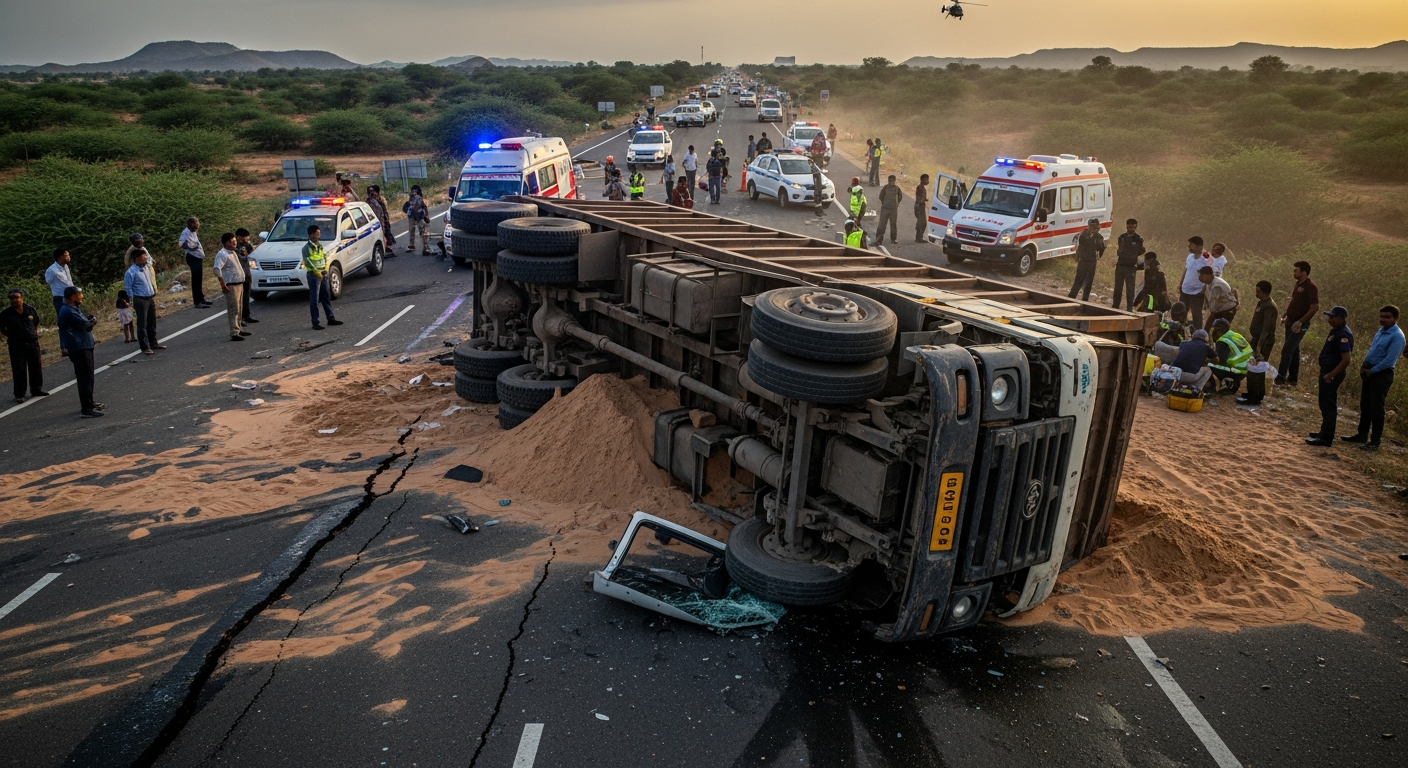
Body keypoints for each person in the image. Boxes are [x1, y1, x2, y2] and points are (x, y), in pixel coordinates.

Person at [1342, 305, 1404, 450]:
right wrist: (1364, 367)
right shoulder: (1381, 331)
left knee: (1377, 409)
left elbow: (1390, 360)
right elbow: (1373, 350)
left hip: (1381, 374)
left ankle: (1375, 442)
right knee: (1365, 405)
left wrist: (1373, 370)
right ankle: (1361, 435)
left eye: (1387, 317)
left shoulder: (1397, 336)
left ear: (1394, 318)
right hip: (1369, 370)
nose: (1383, 320)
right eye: (1381, 316)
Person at [1307, 306, 1353, 446]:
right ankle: (1323, 432)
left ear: (1341, 318)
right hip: (1327, 371)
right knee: (1324, 403)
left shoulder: (1343, 334)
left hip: (1332, 373)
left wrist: (1331, 374)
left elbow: (1346, 359)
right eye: (1329, 316)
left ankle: (1326, 437)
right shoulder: (1336, 330)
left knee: (1328, 405)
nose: (1330, 319)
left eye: (1332, 317)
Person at [58, 286, 102, 418]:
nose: (82, 297)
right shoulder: (69, 311)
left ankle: (89, 402)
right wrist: (93, 321)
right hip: (79, 347)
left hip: (82, 346)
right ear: (73, 297)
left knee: (88, 376)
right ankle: (87, 408)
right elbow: (86, 326)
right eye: (79, 295)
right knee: (85, 377)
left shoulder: (72, 309)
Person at [1276, 261, 1319, 388]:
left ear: (1304, 272)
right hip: (1290, 321)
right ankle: (1293, 380)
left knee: (1287, 350)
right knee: (1294, 351)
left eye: (1296, 270)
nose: (1294, 273)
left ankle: (1280, 378)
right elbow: (1294, 302)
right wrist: (1285, 315)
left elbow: (1315, 307)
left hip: (1299, 324)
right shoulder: (1297, 284)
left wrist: (1301, 321)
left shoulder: (1311, 286)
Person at [0, 288, 46, 404]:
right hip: (16, 345)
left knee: (36, 367)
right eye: (12, 298)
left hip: (32, 343)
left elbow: (35, 323)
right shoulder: (6, 314)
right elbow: (2, 328)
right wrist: (12, 335)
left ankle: (36, 389)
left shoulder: (30, 310)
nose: (15, 300)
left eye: (17, 297)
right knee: (19, 369)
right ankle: (20, 394)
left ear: (22, 297)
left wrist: (33, 335)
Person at [301, 225, 343, 331]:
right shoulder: (306, 249)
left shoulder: (319, 246)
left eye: (319, 233)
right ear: (310, 235)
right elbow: (308, 262)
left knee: (326, 298)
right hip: (314, 275)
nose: (318, 236)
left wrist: (325, 269)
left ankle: (331, 318)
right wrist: (317, 272)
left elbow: (323, 257)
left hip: (323, 274)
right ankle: (315, 322)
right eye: (316, 234)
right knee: (314, 300)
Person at [213, 233, 249, 342]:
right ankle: (234, 332)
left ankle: (239, 328)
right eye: (233, 242)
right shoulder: (222, 254)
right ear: (227, 242)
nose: (235, 244)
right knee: (234, 309)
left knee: (239, 308)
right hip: (231, 285)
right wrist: (222, 284)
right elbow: (216, 269)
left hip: (239, 283)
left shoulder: (232, 252)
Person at [124, 249, 160, 355]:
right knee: (142, 324)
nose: (146, 260)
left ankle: (153, 343)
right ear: (137, 259)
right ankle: (145, 347)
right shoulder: (130, 272)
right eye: (144, 258)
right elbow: (128, 288)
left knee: (152, 322)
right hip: (140, 299)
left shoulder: (146, 269)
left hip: (149, 297)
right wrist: (133, 300)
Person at [1209, 318, 1253, 394]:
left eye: (1215, 330)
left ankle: (1218, 384)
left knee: (1209, 366)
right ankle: (1232, 381)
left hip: (1236, 370)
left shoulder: (1223, 341)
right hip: (1245, 369)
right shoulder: (1234, 335)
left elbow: (1220, 360)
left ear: (1219, 331)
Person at [1067, 219, 1106, 301]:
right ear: (1089, 226)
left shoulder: (1099, 237)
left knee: (1088, 282)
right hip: (1083, 260)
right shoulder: (1083, 234)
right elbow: (1079, 246)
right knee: (1078, 280)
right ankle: (1071, 297)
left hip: (1092, 261)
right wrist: (1078, 257)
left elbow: (1101, 250)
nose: (1093, 228)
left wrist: (1098, 255)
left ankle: (1085, 300)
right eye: (1092, 226)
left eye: (1095, 227)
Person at [1178, 236, 1211, 329]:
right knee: (1181, 312)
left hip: (1197, 291)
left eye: (1191, 244)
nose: (1189, 246)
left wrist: (1204, 289)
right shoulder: (1190, 257)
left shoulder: (1206, 259)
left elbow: (1210, 275)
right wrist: (1181, 283)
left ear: (1199, 246)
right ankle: (1179, 332)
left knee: (1196, 314)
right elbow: (1186, 270)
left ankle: (1197, 335)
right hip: (1185, 289)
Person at [1170, 328, 1217, 392]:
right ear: (1206, 338)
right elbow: (1217, 360)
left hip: (1174, 374)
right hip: (1190, 377)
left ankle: (1178, 384)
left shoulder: (1184, 343)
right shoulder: (1206, 347)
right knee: (1209, 369)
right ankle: (1197, 388)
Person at [1112, 218, 1145, 310]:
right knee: (1118, 287)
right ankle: (1115, 305)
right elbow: (1119, 250)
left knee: (1130, 288)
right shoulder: (1122, 237)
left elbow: (1140, 251)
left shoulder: (1139, 239)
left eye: (1132, 227)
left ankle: (1129, 307)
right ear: (1126, 226)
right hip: (1121, 265)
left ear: (1136, 227)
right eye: (1129, 226)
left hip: (1131, 267)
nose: (1130, 228)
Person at [179, 217, 211, 308]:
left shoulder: (193, 232)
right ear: (190, 224)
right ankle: (197, 302)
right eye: (195, 224)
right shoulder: (186, 233)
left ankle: (202, 299)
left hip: (198, 257)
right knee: (196, 280)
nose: (197, 226)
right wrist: (191, 248)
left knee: (199, 279)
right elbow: (181, 244)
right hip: (192, 257)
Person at [1247, 280, 1278, 361]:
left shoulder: (1270, 307)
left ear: (1265, 293)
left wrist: (1259, 348)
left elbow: (1266, 330)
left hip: (1264, 342)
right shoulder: (1261, 302)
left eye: (1258, 292)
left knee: (1259, 364)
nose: (1256, 294)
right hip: (1256, 339)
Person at [234, 228, 258, 324]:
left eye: (247, 239)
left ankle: (246, 316)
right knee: (238, 299)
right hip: (237, 276)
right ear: (238, 237)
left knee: (246, 296)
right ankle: (238, 319)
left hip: (247, 274)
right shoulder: (233, 247)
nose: (245, 241)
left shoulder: (247, 246)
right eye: (243, 238)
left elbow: (252, 254)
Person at [44, 248, 74, 321]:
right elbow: (48, 281)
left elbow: (69, 281)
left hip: (70, 296)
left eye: (68, 255)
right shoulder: (51, 270)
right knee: (63, 319)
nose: (68, 257)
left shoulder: (66, 267)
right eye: (66, 255)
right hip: (60, 297)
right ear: (59, 257)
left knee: (73, 318)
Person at [366, 185, 395, 251]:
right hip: (373, 220)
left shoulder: (381, 199)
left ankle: (386, 246)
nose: (372, 193)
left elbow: (384, 210)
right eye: (370, 192)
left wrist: (386, 219)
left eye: (373, 191)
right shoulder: (369, 201)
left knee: (385, 232)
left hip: (382, 218)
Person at [876, 175, 903, 244]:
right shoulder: (885, 188)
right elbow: (881, 196)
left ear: (894, 181)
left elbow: (900, 196)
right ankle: (879, 239)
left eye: (892, 181)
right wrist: (884, 203)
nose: (891, 182)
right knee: (882, 225)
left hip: (893, 210)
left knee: (893, 225)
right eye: (889, 181)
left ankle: (893, 239)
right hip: (885, 209)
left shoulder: (897, 189)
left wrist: (897, 204)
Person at [404, 185, 429, 255]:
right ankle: (412, 245)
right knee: (412, 230)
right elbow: (407, 207)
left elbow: (424, 207)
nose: (414, 193)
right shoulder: (411, 199)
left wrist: (426, 216)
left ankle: (425, 246)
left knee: (422, 232)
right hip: (412, 216)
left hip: (419, 217)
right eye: (413, 191)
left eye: (416, 191)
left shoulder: (420, 199)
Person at [914, 174, 930, 243]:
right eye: (926, 179)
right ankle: (918, 238)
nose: (927, 181)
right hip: (919, 206)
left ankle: (919, 237)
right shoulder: (920, 187)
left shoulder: (922, 187)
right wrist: (923, 200)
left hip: (921, 206)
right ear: (922, 179)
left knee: (922, 223)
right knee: (922, 223)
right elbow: (919, 199)